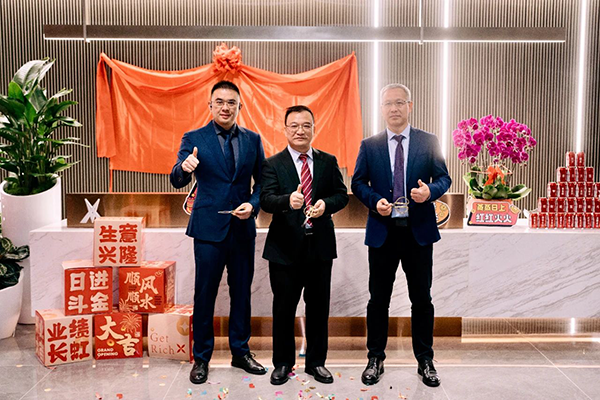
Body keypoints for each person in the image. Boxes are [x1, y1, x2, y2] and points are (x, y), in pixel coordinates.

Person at [351, 83, 451, 387]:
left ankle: (425, 359)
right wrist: (374, 201)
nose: (394, 108)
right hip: (383, 232)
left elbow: (444, 178)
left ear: (410, 106)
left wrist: (429, 192)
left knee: (422, 299)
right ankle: (375, 358)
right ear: (381, 108)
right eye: (388, 104)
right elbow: (358, 183)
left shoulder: (428, 141)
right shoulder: (370, 145)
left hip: (418, 232)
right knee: (378, 299)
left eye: (399, 102)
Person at [170, 80, 266, 384]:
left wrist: (253, 204)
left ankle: (241, 352)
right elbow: (176, 178)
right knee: (205, 293)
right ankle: (202, 358)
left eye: (231, 102)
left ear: (240, 106)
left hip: (242, 228)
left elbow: (263, 183)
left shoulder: (253, 140)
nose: (226, 107)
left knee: (242, 293)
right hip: (208, 229)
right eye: (220, 102)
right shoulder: (194, 138)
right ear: (210, 105)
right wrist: (184, 167)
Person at [260, 105, 349, 385]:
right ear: (285, 129)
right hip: (284, 249)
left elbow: (341, 195)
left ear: (314, 128)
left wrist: (326, 205)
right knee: (283, 309)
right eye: (294, 125)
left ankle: (316, 363)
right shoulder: (272, 164)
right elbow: (265, 200)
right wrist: (288, 201)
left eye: (306, 125)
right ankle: (282, 363)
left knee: (319, 309)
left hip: (319, 247)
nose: (300, 131)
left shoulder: (327, 161)